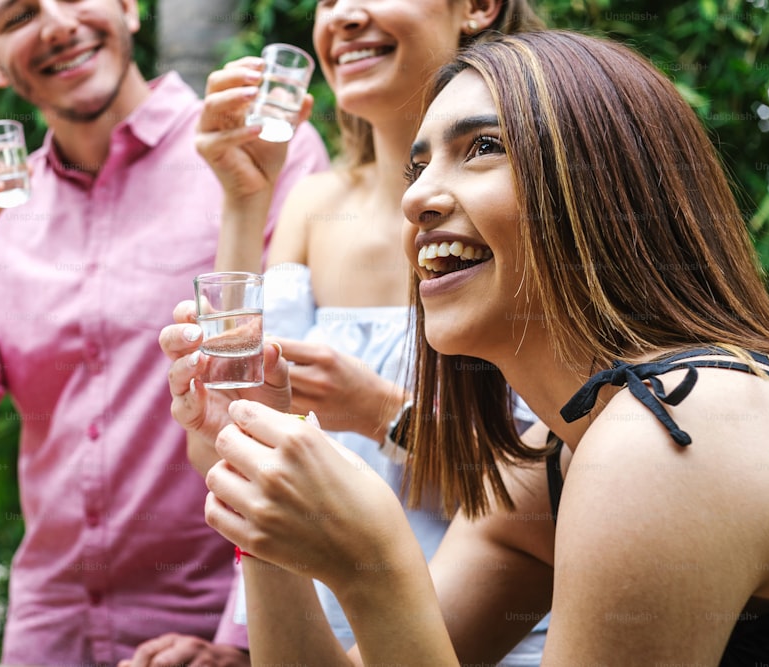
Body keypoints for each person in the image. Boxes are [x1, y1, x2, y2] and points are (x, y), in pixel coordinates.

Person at [198, 30, 769, 665]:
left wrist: (371, 563)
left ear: (605, 187)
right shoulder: (553, 468)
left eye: (483, 147)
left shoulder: (666, 438)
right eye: (418, 167)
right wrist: (260, 497)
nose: (419, 199)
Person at [0, 0, 328, 663]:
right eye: (20, 14)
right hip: (46, 636)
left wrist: (246, 639)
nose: (58, 24)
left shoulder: (252, 150)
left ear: (128, 7)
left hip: (221, 630)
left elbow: (318, 406)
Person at [151, 0, 549, 664]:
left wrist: (377, 412)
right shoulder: (311, 202)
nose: (345, 15)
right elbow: (226, 437)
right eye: (327, 0)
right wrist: (244, 199)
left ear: (478, 8)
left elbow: (554, 493)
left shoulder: (523, 208)